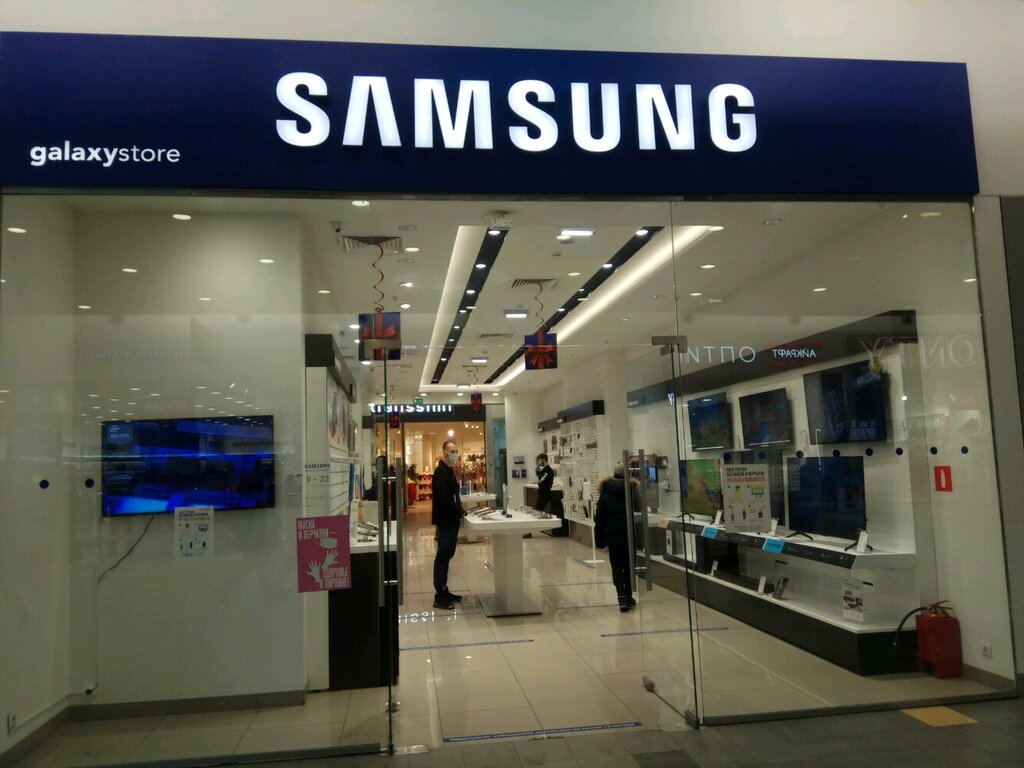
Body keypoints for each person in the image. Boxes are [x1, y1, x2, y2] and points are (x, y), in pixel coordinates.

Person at [594, 463, 640, 612]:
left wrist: (599, 539)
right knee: (629, 567)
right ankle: (629, 596)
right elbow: (639, 510)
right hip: (629, 536)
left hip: (613, 537)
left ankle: (621, 598)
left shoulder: (606, 492)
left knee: (617, 566)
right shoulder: (632, 490)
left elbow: (599, 518)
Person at [431, 439, 465, 610]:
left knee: (447, 555)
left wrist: (460, 510)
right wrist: (459, 511)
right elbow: (443, 499)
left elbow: (453, 496)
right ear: (444, 453)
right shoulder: (440, 472)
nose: (455, 455)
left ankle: (444, 590)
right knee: (443, 556)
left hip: (451, 520)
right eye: (452, 452)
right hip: (445, 521)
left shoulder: (449, 470)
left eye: (456, 451)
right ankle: (439, 595)